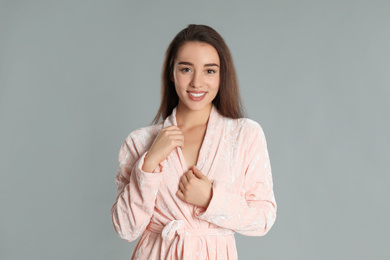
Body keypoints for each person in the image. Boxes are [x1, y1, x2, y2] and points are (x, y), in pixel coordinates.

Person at [111, 24, 277, 260]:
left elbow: (263, 219)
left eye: (209, 71)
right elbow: (125, 229)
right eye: (186, 69)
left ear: (222, 76)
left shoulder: (245, 135)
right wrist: (149, 163)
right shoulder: (139, 142)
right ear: (172, 72)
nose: (197, 83)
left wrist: (212, 199)